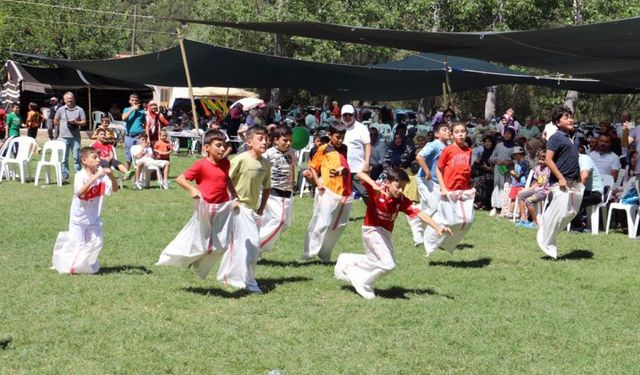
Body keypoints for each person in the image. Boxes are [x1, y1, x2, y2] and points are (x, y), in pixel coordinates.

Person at [334, 167, 451, 299]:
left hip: (385, 233)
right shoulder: (377, 189)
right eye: (398, 186)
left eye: (403, 187)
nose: (400, 190)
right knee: (388, 265)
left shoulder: (401, 200)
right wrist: (373, 184)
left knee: (377, 261)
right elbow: (359, 173)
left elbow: (419, 213)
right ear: (388, 182)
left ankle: (346, 261)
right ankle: (362, 281)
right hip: (371, 230)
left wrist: (437, 227)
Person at [157, 129, 239, 280]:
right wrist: (192, 189)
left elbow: (226, 179)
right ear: (207, 148)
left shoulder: (226, 163)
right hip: (205, 207)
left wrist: (234, 196)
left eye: (224, 145)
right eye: (219, 145)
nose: (223, 149)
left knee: (221, 244)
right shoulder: (201, 165)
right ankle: (178, 256)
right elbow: (181, 179)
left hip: (222, 207)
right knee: (199, 239)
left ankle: (199, 264)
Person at [218, 125, 271, 293]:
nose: (264, 142)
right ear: (249, 142)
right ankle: (248, 282)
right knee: (252, 245)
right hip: (238, 208)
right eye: (260, 139)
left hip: (252, 210)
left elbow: (267, 186)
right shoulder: (240, 159)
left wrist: (261, 208)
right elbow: (224, 178)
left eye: (266, 139)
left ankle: (228, 276)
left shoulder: (265, 163)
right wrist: (232, 199)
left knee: (240, 245)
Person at [51, 147, 118, 274]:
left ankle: (86, 266)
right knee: (77, 246)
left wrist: (111, 176)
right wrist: (94, 177)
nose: (98, 160)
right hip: (78, 219)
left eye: (98, 157)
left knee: (97, 243)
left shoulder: (102, 176)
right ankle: (70, 267)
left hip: (94, 218)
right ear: (84, 160)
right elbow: (80, 193)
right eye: (94, 157)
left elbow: (114, 189)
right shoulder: (80, 175)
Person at [537, 106, 583, 258]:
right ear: (557, 122)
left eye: (571, 116)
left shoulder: (574, 137)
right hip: (560, 182)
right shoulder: (556, 137)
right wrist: (561, 178)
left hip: (573, 182)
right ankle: (547, 240)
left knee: (570, 213)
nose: (570, 119)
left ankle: (547, 229)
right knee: (561, 213)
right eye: (566, 117)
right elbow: (549, 160)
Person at [303, 121, 352, 262]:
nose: (340, 140)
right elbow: (313, 167)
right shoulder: (323, 149)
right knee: (322, 221)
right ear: (330, 135)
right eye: (337, 137)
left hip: (344, 192)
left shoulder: (345, 148)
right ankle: (310, 251)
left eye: (343, 137)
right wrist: (318, 183)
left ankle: (325, 253)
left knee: (338, 225)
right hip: (327, 190)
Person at [260, 125, 296, 252]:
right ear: (276, 140)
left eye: (290, 140)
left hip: (288, 193)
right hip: (274, 192)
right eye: (285, 140)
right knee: (278, 220)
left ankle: (257, 240)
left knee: (285, 224)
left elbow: (292, 169)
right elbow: (261, 171)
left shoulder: (292, 153)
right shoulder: (268, 154)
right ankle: (257, 246)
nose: (288, 143)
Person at [416, 123, 450, 215]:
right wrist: (427, 172)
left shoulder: (448, 146)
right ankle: (415, 216)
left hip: (436, 180)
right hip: (425, 178)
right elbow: (419, 157)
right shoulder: (434, 144)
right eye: (444, 129)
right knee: (435, 206)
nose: (448, 131)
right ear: (436, 134)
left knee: (428, 206)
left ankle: (415, 216)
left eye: (448, 130)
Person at [342, 104, 371, 203]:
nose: (347, 117)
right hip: (343, 168)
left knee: (366, 192)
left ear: (354, 115)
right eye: (345, 115)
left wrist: (366, 163)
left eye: (349, 114)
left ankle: (375, 214)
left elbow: (367, 145)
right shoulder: (339, 127)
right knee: (342, 194)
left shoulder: (361, 128)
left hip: (358, 168)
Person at [570, 145, 604, 231]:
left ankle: (577, 228)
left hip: (595, 193)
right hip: (585, 191)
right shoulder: (572, 162)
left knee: (574, 201)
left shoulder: (584, 158)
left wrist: (576, 192)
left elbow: (584, 176)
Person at [54, 92, 86, 181]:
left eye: (71, 98)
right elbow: (55, 121)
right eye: (67, 98)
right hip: (62, 137)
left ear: (74, 99)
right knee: (63, 157)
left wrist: (76, 123)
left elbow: (84, 122)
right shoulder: (60, 109)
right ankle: (65, 174)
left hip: (75, 137)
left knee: (77, 157)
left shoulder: (79, 109)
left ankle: (78, 174)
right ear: (64, 100)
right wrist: (63, 123)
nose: (69, 100)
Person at [516, 149, 551, 228]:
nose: (541, 160)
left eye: (543, 158)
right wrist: (528, 189)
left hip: (544, 191)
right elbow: (537, 183)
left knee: (529, 201)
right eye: (539, 158)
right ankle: (523, 219)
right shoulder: (537, 168)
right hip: (537, 189)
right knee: (521, 195)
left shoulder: (550, 169)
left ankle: (535, 222)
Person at [489, 127, 516, 216]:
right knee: (497, 186)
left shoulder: (515, 147)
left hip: (508, 171)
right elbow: (491, 158)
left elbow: (519, 159)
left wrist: (509, 162)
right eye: (506, 133)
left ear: (513, 135)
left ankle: (504, 208)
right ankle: (495, 207)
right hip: (498, 169)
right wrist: (497, 160)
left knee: (505, 188)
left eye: (509, 133)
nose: (507, 135)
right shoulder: (499, 145)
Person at [122, 93, 146, 170]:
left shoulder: (142, 112)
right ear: (130, 101)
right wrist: (132, 109)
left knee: (140, 157)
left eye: (136, 100)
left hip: (139, 137)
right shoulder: (126, 109)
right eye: (132, 100)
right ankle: (126, 174)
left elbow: (145, 123)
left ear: (138, 101)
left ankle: (139, 176)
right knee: (128, 158)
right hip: (129, 137)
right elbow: (124, 118)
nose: (134, 101)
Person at [471, 135, 495, 210]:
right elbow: (475, 164)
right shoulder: (481, 152)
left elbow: (496, 168)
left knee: (481, 180)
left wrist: (487, 168)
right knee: (475, 180)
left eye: (489, 141)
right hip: (479, 173)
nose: (487, 143)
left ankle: (481, 202)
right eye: (485, 142)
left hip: (491, 174)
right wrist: (475, 162)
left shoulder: (494, 153)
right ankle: (477, 201)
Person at [507, 146, 529, 217]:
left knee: (520, 199)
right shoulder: (517, 163)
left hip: (521, 184)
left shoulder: (524, 163)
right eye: (514, 155)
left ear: (520, 154)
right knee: (512, 198)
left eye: (516, 155)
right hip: (515, 183)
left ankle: (518, 213)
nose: (515, 156)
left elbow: (519, 175)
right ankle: (510, 212)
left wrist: (512, 172)